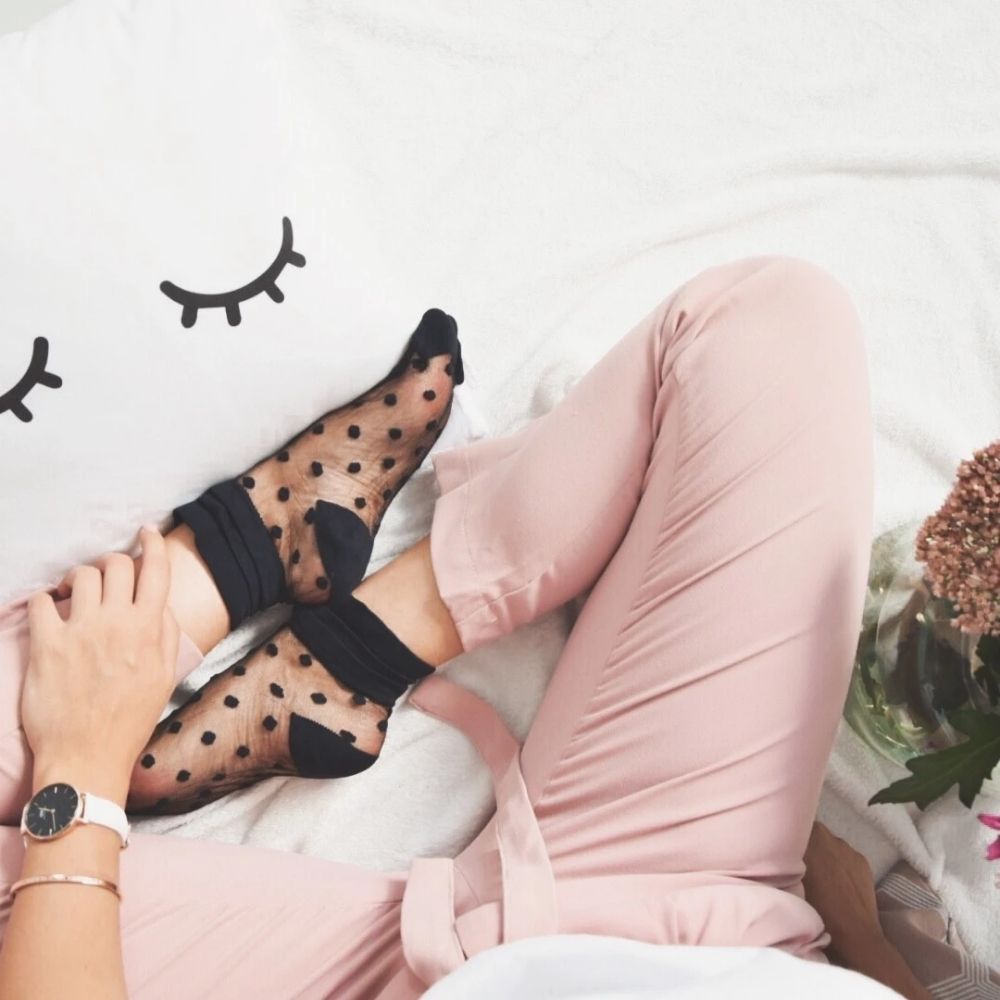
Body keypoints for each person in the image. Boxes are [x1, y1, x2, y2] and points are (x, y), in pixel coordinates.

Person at [0, 257, 930, 998]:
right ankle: (370, 639)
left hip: (426, 982)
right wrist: (872, 950)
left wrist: (80, 774)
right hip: (719, 924)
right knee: (769, 327)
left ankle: (216, 571)